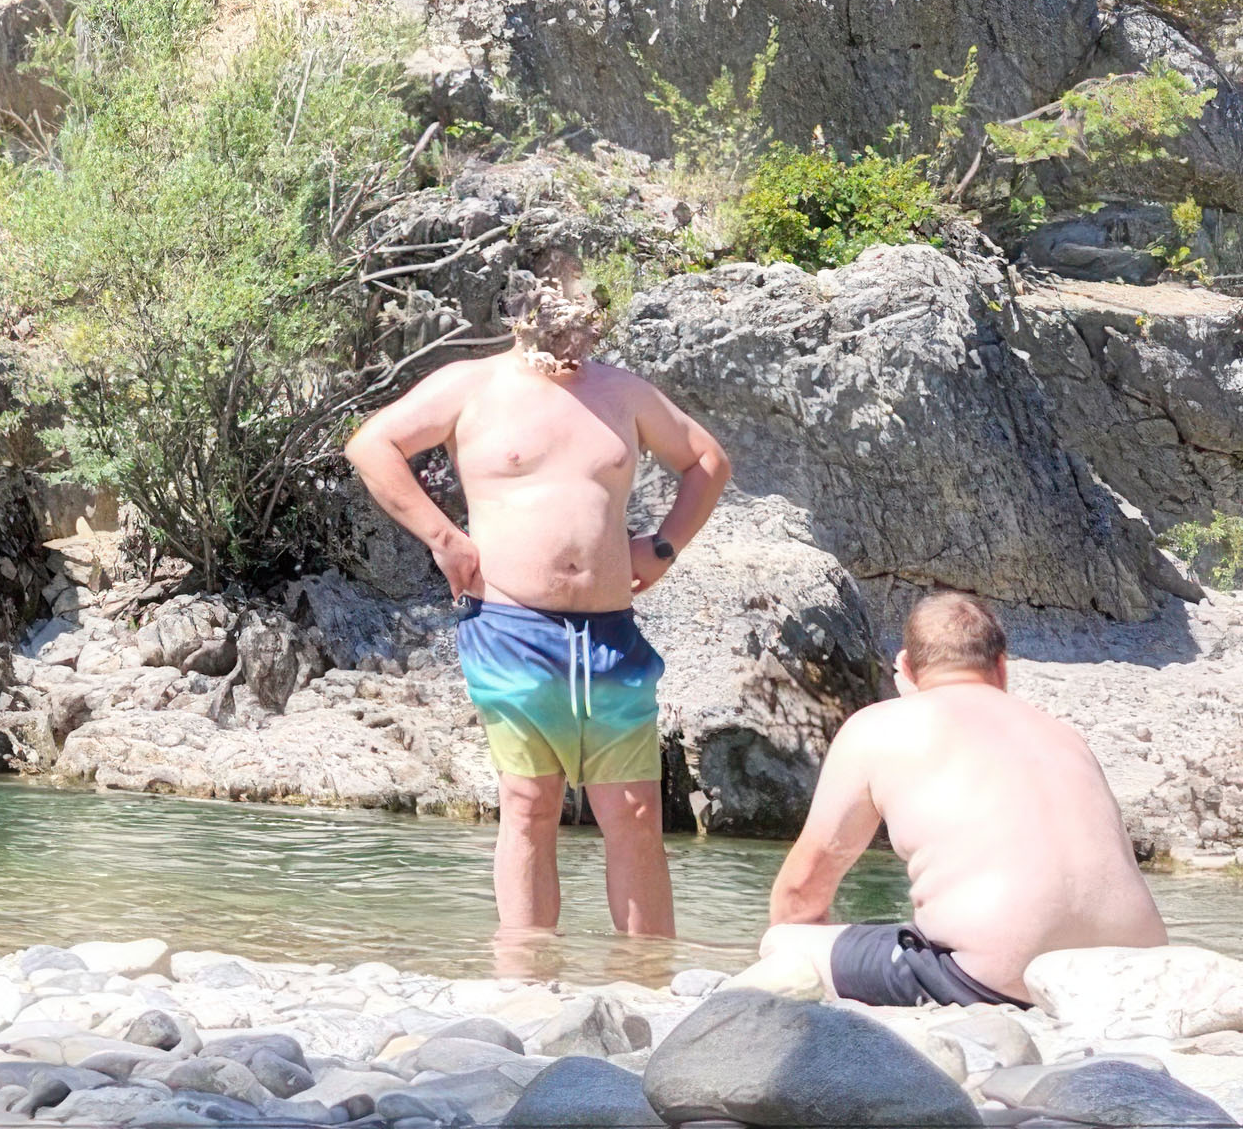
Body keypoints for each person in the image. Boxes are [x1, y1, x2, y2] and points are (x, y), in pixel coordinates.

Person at [346, 263, 731, 952]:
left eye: (584, 326)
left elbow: (706, 461)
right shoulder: (473, 385)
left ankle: (649, 983)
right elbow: (371, 445)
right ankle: (526, 983)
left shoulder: (622, 391)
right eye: (560, 324)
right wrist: (443, 538)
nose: (572, 341)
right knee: (529, 805)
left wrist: (664, 546)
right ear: (524, 318)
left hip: (611, 631)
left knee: (636, 810)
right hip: (512, 627)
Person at [753, 590, 1166, 1006]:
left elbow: (801, 893)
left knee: (785, 943)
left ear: (906, 668)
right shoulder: (1063, 734)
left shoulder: (877, 727)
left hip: (991, 979)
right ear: (1002, 668)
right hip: (1138, 975)